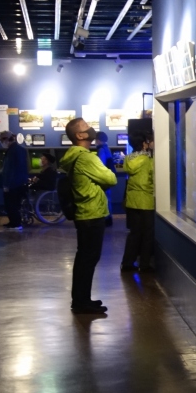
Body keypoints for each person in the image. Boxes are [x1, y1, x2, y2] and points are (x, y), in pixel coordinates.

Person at [59, 118, 117, 314]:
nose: (91, 128)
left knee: (84, 258)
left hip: (84, 213)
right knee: (88, 258)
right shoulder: (86, 158)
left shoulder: (73, 156)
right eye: (86, 127)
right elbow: (111, 178)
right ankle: (81, 302)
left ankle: (82, 299)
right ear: (80, 135)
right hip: (92, 213)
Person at [118, 133, 155, 273]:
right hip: (146, 200)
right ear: (144, 144)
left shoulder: (128, 158)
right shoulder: (148, 160)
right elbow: (153, 179)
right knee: (147, 235)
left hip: (132, 200)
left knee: (134, 233)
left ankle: (127, 263)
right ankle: (144, 265)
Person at [0, 130, 28, 229]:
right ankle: (14, 222)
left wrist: (6, 185)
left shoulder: (12, 151)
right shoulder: (21, 149)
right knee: (15, 204)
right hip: (20, 182)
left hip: (13, 184)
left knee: (11, 204)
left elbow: (9, 169)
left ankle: (15, 224)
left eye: (1, 140)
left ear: (7, 140)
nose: (1, 143)